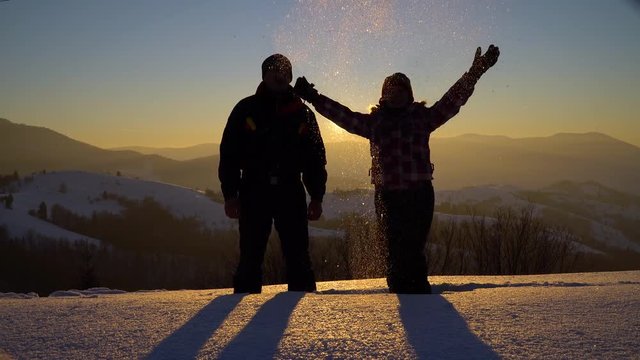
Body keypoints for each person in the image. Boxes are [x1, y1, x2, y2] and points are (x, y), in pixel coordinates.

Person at [294, 45, 500, 294]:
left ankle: (417, 298)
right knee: (392, 249)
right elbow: (343, 116)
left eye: (401, 91)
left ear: (410, 95)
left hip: (418, 195)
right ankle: (402, 298)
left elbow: (453, 100)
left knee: (412, 248)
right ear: (383, 95)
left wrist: (475, 73)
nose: (396, 95)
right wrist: (315, 98)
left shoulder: (422, 118)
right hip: (388, 196)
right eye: (391, 91)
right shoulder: (375, 123)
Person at [219, 54, 327, 294]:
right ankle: (244, 313)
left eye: (284, 72)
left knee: (299, 257)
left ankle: (305, 319)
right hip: (253, 190)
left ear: (289, 77)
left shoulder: (303, 113)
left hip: (291, 190)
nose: (279, 75)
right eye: (273, 71)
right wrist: (230, 194)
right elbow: (229, 155)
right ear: (264, 76)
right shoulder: (245, 109)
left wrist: (317, 197)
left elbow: (315, 159)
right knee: (250, 256)